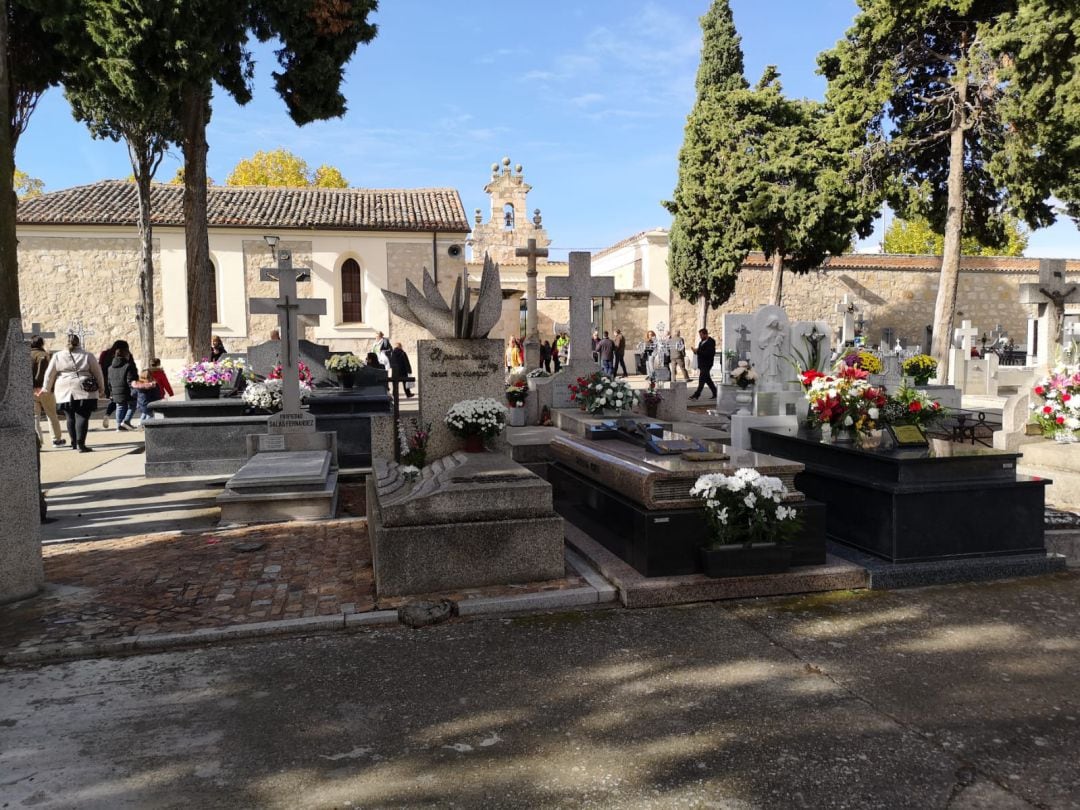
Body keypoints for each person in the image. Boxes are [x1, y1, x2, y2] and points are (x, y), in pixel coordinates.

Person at [43, 333, 105, 452]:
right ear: (78, 342)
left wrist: (46, 388)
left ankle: (74, 443)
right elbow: (98, 373)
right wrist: (101, 389)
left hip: (63, 387)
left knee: (69, 416)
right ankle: (81, 444)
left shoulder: (57, 356)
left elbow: (49, 374)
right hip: (83, 387)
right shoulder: (87, 355)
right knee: (82, 415)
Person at [30, 335, 65, 446]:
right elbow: (47, 374)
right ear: (42, 343)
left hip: (30, 390)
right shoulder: (45, 356)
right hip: (44, 389)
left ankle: (37, 441)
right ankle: (56, 439)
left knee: (35, 417)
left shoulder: (26, 355)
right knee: (51, 415)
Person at [97, 339, 128, 428]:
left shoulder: (105, 354)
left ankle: (107, 414)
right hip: (120, 379)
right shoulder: (123, 354)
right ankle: (121, 422)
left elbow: (100, 365)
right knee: (121, 402)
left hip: (107, 380)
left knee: (114, 399)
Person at [108, 345, 139, 430]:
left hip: (115, 391)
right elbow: (130, 380)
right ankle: (126, 421)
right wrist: (134, 390)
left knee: (119, 406)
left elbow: (109, 382)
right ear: (126, 355)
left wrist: (111, 392)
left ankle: (119, 426)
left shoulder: (110, 368)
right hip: (127, 390)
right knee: (133, 405)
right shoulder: (128, 366)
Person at [688, 328, 717, 401]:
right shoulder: (701, 342)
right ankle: (715, 393)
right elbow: (701, 351)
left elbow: (709, 353)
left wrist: (698, 351)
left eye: (701, 335)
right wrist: (695, 351)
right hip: (701, 364)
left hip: (707, 364)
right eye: (700, 335)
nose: (700, 337)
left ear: (705, 334)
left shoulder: (711, 342)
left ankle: (696, 395)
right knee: (707, 380)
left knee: (701, 380)